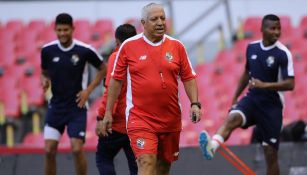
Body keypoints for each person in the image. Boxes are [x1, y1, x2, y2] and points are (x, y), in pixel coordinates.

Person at [100, 3, 202, 175]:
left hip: (170, 119)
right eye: (154, 19)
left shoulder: (177, 46)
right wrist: (108, 111)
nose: (160, 22)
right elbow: (116, 80)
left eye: (162, 18)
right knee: (146, 162)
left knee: (162, 168)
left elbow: (188, 77)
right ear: (143, 23)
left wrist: (195, 104)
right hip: (140, 118)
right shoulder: (128, 46)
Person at [199, 14, 295, 175]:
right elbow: (246, 72)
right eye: (273, 28)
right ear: (263, 30)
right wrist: (236, 96)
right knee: (231, 119)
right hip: (252, 99)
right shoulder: (252, 48)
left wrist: (265, 85)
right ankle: (212, 147)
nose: (277, 32)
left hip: (272, 106)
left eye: (279, 28)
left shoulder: (283, 54)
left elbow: (290, 83)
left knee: (270, 154)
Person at [40, 13, 106, 175]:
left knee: (76, 149)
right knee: (49, 150)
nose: (62, 33)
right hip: (56, 106)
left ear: (73, 29)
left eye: (66, 30)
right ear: (55, 29)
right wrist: (44, 80)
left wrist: (88, 91)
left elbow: (103, 69)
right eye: (59, 30)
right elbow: (44, 72)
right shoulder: (48, 50)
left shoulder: (84, 50)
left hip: (77, 107)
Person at [95, 24, 138, 175]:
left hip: (116, 123)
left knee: (103, 157)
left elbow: (111, 91)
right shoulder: (142, 58)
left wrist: (102, 117)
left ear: (117, 42)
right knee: (138, 167)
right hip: (138, 124)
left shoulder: (116, 56)